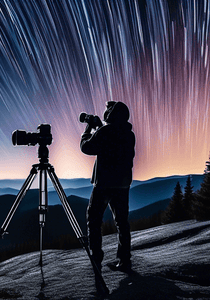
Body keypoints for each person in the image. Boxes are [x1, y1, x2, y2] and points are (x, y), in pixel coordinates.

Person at [80, 101, 135, 272]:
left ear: (111, 114)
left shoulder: (105, 131)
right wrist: (100, 128)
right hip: (123, 184)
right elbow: (112, 146)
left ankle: (96, 257)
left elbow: (87, 147)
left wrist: (88, 129)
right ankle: (124, 260)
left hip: (104, 184)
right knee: (122, 222)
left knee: (94, 219)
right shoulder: (129, 134)